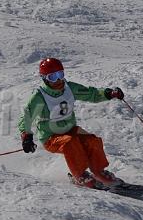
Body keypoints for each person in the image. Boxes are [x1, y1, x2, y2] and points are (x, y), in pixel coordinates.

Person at [18, 57, 125, 188]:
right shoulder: (39, 97)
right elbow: (27, 116)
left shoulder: (69, 88)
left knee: (92, 141)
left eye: (60, 74)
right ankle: (80, 176)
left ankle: (99, 172)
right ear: (45, 78)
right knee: (70, 142)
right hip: (51, 137)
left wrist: (109, 93)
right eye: (53, 77)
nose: (58, 80)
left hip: (71, 131)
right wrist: (26, 136)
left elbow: (91, 94)